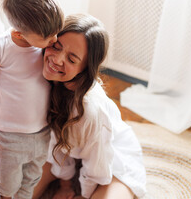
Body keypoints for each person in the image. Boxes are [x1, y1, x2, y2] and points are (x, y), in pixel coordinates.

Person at [33, 14, 146, 199]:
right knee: (17, 193)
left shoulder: (91, 110)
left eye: (71, 59)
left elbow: (98, 165)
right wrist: (65, 184)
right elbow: (55, 141)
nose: (57, 60)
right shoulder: (45, 78)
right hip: (71, 152)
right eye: (56, 47)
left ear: (84, 69)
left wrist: (83, 195)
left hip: (113, 159)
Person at [0, 0, 64, 199]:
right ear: (20, 34)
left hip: (41, 133)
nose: (55, 40)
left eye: (56, 33)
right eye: (49, 37)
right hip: (9, 136)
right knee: (8, 186)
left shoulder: (44, 48)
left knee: (30, 181)